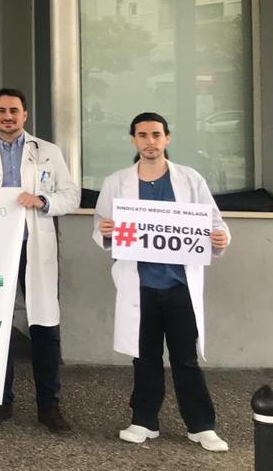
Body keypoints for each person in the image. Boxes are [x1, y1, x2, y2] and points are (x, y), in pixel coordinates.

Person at [93, 112, 230, 453]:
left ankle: (201, 426)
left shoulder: (189, 179)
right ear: (133, 140)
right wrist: (105, 231)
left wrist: (221, 238)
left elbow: (214, 222)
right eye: (142, 135)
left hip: (180, 284)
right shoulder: (117, 181)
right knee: (145, 357)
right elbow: (101, 224)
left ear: (167, 138)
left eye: (156, 134)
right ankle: (144, 421)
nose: (149, 141)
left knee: (185, 358)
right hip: (141, 286)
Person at [0, 88, 79, 433]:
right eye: (1, 111)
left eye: (14, 110)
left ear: (25, 114)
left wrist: (42, 200)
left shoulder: (48, 152)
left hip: (35, 246)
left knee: (44, 325)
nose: (7, 116)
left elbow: (70, 195)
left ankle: (49, 406)